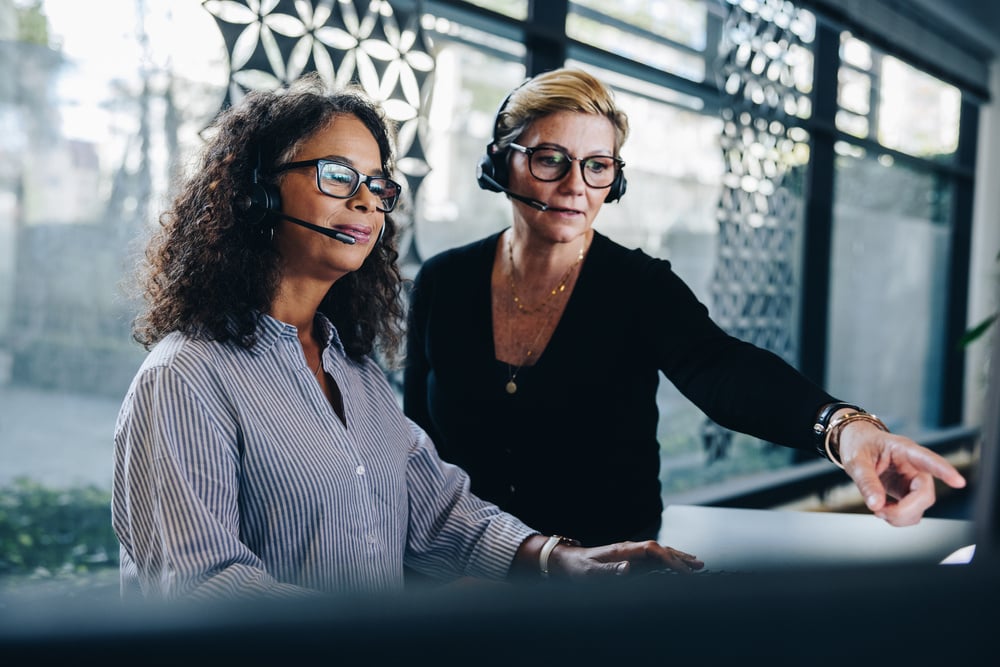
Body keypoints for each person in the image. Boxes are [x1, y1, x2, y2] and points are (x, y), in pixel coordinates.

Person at [111, 73, 704, 601]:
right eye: (338, 176)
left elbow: (438, 512)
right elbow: (202, 585)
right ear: (257, 193)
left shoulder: (353, 370)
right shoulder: (185, 377)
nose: (367, 200)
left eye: (377, 183)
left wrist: (559, 560)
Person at [402, 67, 967, 547]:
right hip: (465, 567)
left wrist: (842, 428)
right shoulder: (445, 279)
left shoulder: (639, 285)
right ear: (502, 163)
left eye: (598, 165)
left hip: (607, 576)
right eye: (551, 159)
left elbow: (721, 368)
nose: (576, 183)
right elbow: (417, 441)